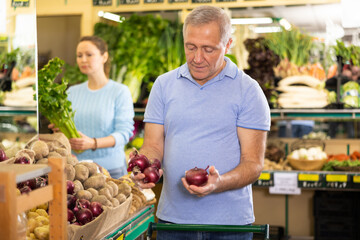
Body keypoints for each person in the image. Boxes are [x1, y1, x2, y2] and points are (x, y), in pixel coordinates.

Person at [132, 6, 270, 240]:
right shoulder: (164, 86)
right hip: (173, 222)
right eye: (191, 47)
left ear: (227, 45)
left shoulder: (248, 91)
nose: (197, 58)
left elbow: (253, 164)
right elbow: (153, 146)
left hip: (230, 226)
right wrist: (146, 166)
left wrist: (219, 183)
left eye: (208, 49)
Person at [51, 36, 134, 179]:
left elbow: (124, 134)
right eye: (79, 55)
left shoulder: (120, 91)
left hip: (111, 171)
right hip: (78, 170)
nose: (83, 59)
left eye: (89, 55)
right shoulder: (72, 92)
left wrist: (92, 143)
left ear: (104, 56)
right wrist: (60, 130)